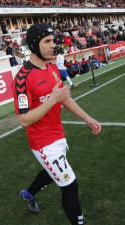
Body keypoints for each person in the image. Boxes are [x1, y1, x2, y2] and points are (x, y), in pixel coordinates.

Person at [13, 24, 101, 225]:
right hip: (42, 141)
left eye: (53, 40)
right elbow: (24, 119)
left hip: (57, 134)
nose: (54, 45)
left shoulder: (52, 68)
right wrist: (52, 99)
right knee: (69, 184)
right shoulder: (22, 78)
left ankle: (29, 193)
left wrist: (87, 117)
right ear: (35, 44)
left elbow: (64, 98)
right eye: (47, 41)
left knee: (53, 173)